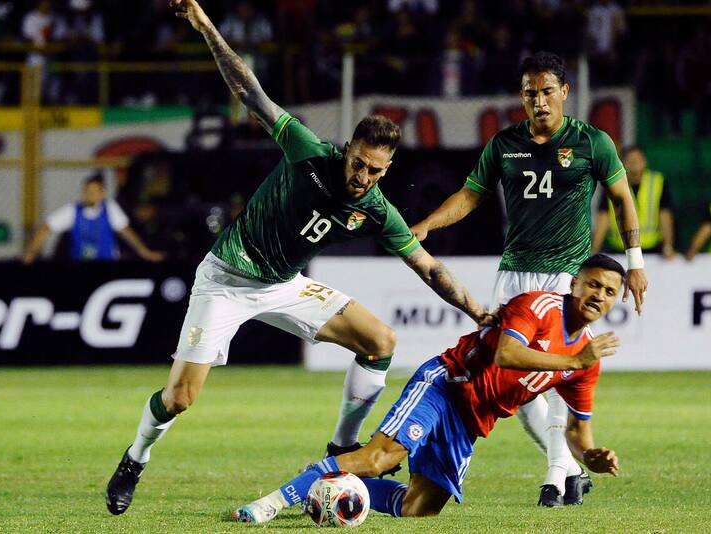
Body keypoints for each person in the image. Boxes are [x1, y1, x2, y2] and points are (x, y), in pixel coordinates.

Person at [104, 0, 489, 516]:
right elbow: (250, 91)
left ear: (387, 167)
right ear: (347, 148)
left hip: (283, 285)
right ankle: (135, 456)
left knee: (380, 341)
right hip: (226, 279)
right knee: (179, 398)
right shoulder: (307, 151)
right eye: (358, 163)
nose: (362, 177)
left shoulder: (376, 208)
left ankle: (338, 451)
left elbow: (429, 267)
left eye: (375, 171)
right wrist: (205, 26)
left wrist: (478, 312)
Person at [409, 51, 647, 506]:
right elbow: (469, 195)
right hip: (513, 275)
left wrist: (634, 261)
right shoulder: (504, 144)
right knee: (509, 380)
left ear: (564, 92)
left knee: (557, 377)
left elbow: (621, 196)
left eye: (547, 91)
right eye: (529, 93)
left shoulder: (591, 142)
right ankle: (569, 467)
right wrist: (428, 225)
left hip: (566, 278)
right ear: (522, 96)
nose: (539, 101)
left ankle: (556, 477)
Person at [235, 254, 624, 523]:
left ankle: (327, 479)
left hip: (471, 422)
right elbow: (507, 353)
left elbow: (576, 432)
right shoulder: (537, 306)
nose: (598, 296)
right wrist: (573, 361)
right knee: (379, 458)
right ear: (574, 283)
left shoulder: (586, 360)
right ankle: (268, 504)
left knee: (419, 508)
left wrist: (590, 456)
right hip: (446, 384)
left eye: (609, 292)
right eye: (593, 284)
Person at [22, 173, 165, 264]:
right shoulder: (73, 211)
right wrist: (31, 252)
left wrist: (145, 253)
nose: (91, 195)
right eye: (88, 192)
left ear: (102, 193)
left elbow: (126, 232)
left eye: (95, 192)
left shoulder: (110, 209)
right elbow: (46, 228)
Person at [592, 145, 677, 258]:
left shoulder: (657, 181)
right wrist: (593, 250)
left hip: (651, 251)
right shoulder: (611, 184)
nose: (634, 164)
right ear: (621, 163)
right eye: (630, 161)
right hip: (620, 252)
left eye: (638, 160)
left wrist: (668, 246)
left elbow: (665, 215)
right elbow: (603, 217)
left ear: (645, 162)